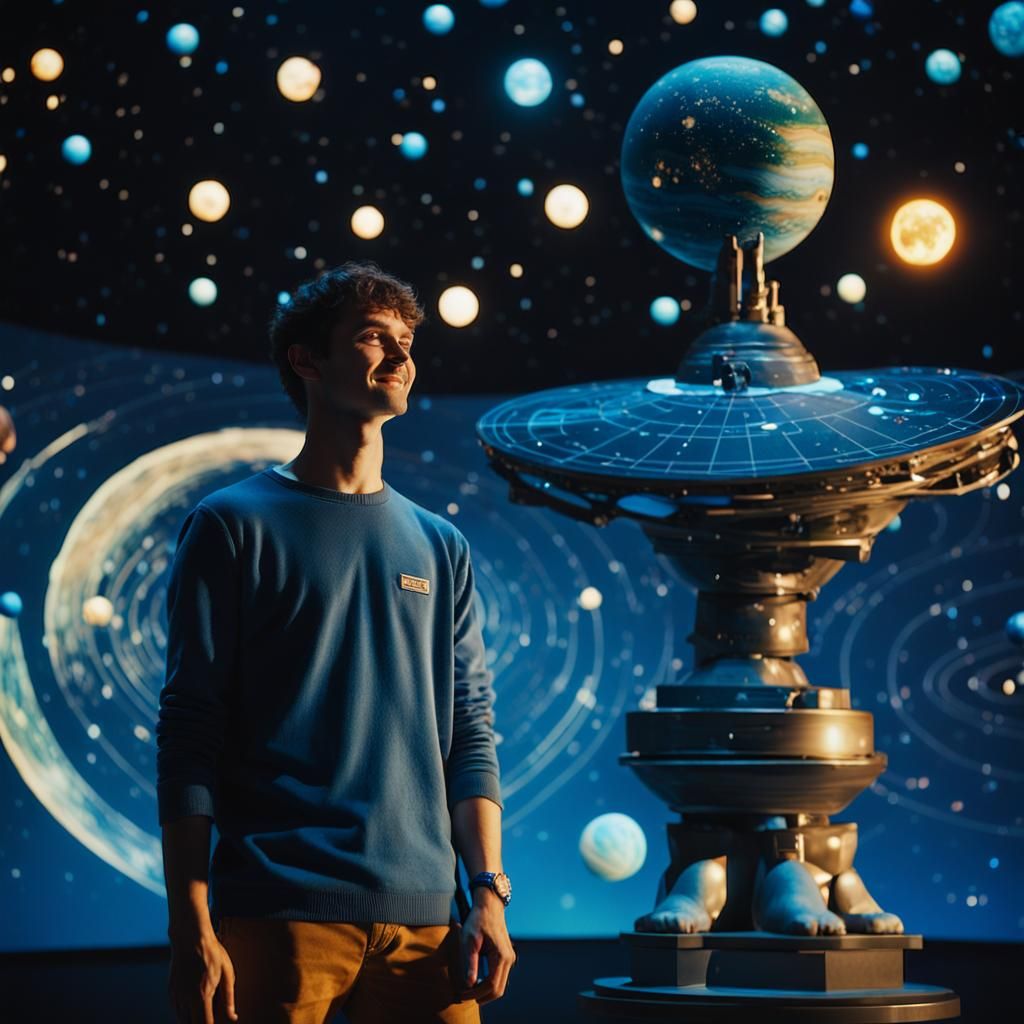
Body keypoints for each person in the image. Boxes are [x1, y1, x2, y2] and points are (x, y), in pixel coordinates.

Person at [157, 261, 514, 1024]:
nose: (401, 354)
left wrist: (487, 892)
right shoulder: (230, 526)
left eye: (408, 339)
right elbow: (190, 731)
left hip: (431, 926)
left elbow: (470, 732)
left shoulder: (441, 545)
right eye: (373, 336)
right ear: (306, 360)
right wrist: (189, 922)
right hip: (276, 911)